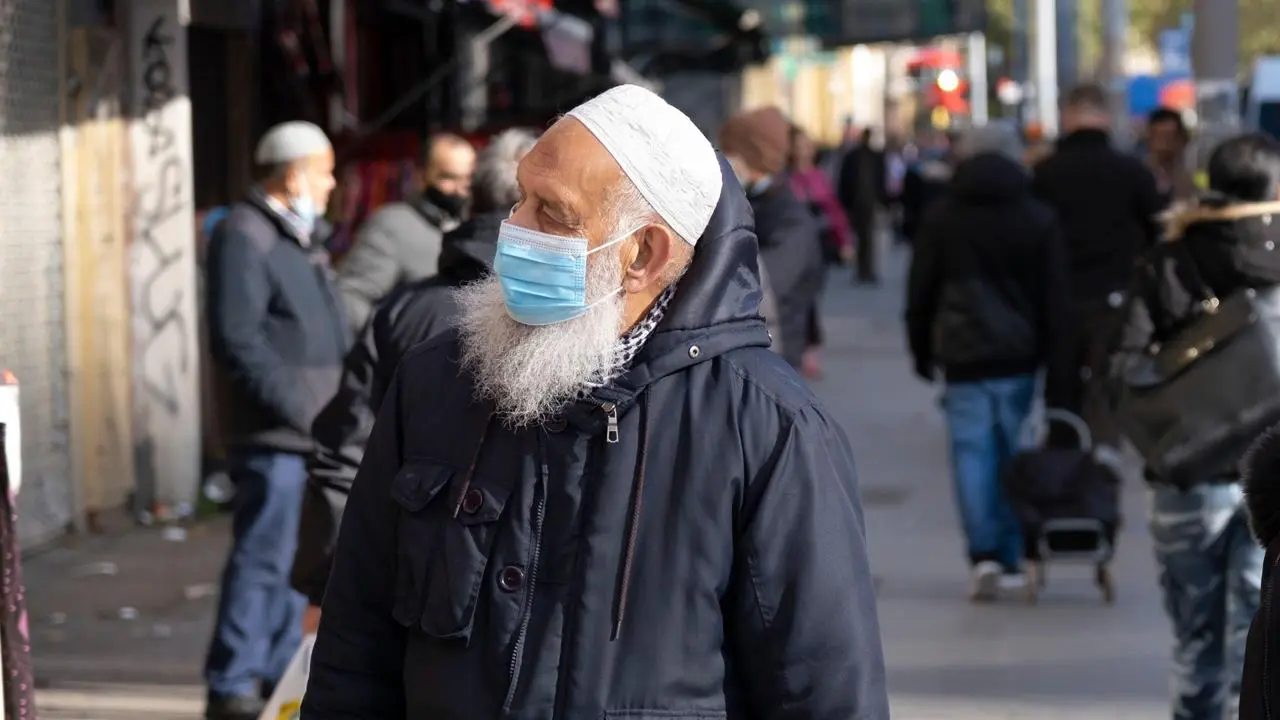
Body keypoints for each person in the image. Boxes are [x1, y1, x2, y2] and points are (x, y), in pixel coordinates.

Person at [303, 84, 888, 719]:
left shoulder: (771, 429)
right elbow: (354, 649)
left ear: (644, 254)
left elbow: (825, 693)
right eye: (520, 197)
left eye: (551, 213)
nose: (512, 229)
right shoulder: (436, 380)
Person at [291, 128, 540, 632]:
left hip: (417, 591)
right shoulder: (592, 318)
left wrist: (328, 587)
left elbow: (343, 456)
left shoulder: (407, 309)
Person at [1114, 134, 1280, 720]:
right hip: (1274, 476)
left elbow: (1126, 366)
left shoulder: (1169, 258)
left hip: (1187, 471)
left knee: (1193, 641)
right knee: (1259, 638)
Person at [203, 121, 350, 720]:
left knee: (294, 563)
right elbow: (238, 340)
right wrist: (301, 410)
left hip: (306, 434)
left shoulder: (296, 236)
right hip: (275, 434)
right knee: (262, 558)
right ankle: (232, 681)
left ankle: (269, 673)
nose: (333, 182)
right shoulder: (246, 234)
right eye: (324, 170)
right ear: (293, 175)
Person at [905, 123, 1073, 600]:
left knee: (971, 455)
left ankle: (983, 557)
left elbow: (921, 290)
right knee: (1015, 449)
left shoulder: (942, 217)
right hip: (1020, 355)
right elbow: (1056, 301)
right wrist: (1060, 368)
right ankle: (1016, 552)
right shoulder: (1038, 216)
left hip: (961, 355)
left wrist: (921, 348)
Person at [1032, 83, 1165, 457]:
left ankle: (1063, 460)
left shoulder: (1045, 173)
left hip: (1059, 298)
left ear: (1067, 116)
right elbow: (1159, 230)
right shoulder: (1130, 172)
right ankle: (1104, 459)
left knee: (1062, 383)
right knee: (1107, 381)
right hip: (1115, 295)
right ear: (1105, 117)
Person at [719, 106, 825, 372]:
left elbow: (760, 287)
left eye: (729, 155)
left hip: (772, 361)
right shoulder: (747, 203)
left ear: (752, 159)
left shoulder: (789, 218)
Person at [335, 133, 476, 331]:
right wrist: (389, 344)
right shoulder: (393, 225)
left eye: (467, 179)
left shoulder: (468, 227)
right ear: (421, 176)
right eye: (448, 177)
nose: (460, 190)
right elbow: (351, 298)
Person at [788, 123, 853, 379]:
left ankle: (809, 350)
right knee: (796, 297)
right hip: (793, 247)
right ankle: (799, 348)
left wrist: (845, 241)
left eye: (807, 144)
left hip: (818, 246)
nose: (804, 150)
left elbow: (834, 212)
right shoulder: (785, 178)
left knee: (811, 297)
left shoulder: (818, 176)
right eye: (799, 145)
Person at [838, 127, 888, 284]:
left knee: (868, 238)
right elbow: (845, 180)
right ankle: (862, 270)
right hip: (857, 203)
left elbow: (881, 179)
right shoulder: (854, 157)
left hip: (868, 203)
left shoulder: (874, 156)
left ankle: (867, 270)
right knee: (862, 238)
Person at [1145, 107, 1196, 206]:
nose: (1164, 146)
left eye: (1170, 139)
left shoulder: (1191, 177)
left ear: (1183, 140)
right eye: (1159, 138)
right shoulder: (1140, 178)